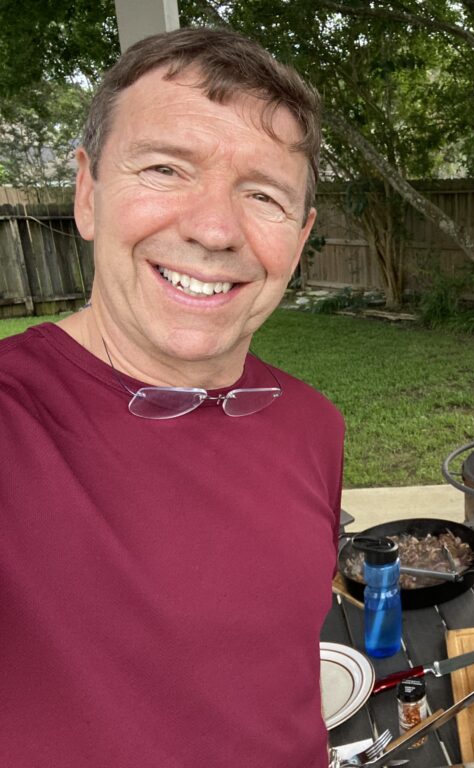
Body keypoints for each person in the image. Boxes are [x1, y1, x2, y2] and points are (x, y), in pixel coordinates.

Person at [0, 28, 345, 767]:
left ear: (301, 234)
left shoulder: (315, 427)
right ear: (88, 193)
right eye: (164, 168)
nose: (216, 228)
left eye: (263, 194)